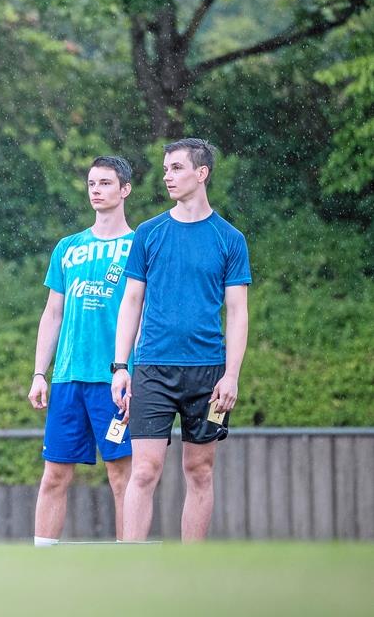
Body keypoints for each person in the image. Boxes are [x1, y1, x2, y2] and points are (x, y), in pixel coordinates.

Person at [111, 138, 250, 542]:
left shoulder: (230, 239)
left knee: (200, 470)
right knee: (144, 469)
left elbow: (238, 312)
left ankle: (192, 568)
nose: (167, 176)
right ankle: (130, 565)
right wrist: (121, 367)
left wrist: (232, 375)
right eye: (166, 168)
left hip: (208, 373)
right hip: (152, 367)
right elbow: (131, 301)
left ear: (201, 173)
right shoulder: (149, 233)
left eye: (176, 168)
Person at [28, 156, 135, 546]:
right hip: (68, 378)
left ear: (124, 190)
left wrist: (134, 373)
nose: (96, 190)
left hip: (114, 382)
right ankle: (41, 563)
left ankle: (130, 564)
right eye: (92, 183)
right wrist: (41, 373)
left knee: (122, 476)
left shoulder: (138, 246)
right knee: (54, 474)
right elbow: (52, 313)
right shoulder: (68, 247)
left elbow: (144, 314)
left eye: (105, 183)